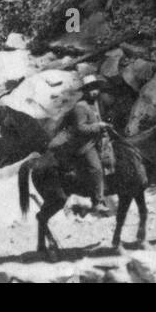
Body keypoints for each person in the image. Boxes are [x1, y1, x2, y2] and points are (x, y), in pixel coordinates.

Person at [50, 77, 113, 214]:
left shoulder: (94, 104)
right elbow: (80, 128)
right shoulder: (81, 107)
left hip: (96, 140)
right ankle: (97, 201)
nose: (94, 92)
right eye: (90, 89)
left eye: (96, 88)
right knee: (96, 168)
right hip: (84, 144)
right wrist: (98, 126)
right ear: (85, 91)